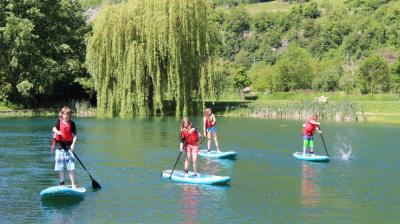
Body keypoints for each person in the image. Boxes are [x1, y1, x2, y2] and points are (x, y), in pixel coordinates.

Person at [51, 106, 78, 188]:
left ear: (70, 115)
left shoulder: (72, 123)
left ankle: (73, 184)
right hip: (59, 148)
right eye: (64, 114)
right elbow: (54, 128)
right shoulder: (59, 121)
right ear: (62, 114)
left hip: (69, 148)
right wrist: (58, 132)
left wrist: (73, 144)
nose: (66, 116)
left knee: (71, 167)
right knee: (60, 167)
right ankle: (61, 183)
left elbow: (76, 134)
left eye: (68, 114)